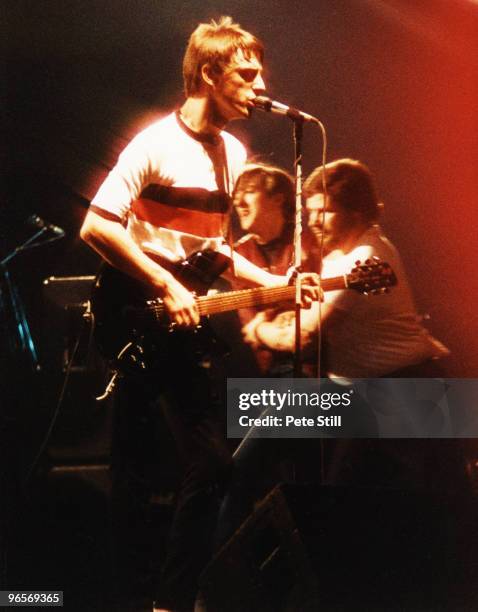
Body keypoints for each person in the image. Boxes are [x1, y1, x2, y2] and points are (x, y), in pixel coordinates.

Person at [80, 16, 318, 612]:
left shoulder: (233, 152)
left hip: (183, 322)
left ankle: (173, 600)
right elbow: (97, 225)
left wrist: (276, 284)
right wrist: (163, 281)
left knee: (211, 465)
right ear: (209, 74)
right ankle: (133, 596)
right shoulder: (154, 144)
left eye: (259, 71)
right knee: (133, 472)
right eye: (246, 72)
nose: (260, 83)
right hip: (134, 312)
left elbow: (214, 252)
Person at [245, 158, 449, 380]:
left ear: (356, 211)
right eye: (310, 211)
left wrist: (258, 329)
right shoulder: (344, 254)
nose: (313, 221)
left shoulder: (362, 259)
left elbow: (302, 339)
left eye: (325, 211)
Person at [228, 162, 318, 376]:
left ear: (278, 199)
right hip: (265, 370)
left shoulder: (309, 243)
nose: (238, 202)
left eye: (248, 192)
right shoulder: (237, 255)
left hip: (313, 368)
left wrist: (261, 325)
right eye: (236, 195)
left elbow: (308, 331)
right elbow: (248, 328)